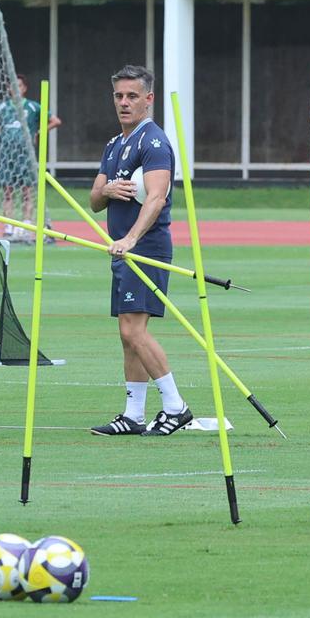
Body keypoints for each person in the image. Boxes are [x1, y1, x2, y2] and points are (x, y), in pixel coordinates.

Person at [88, 65, 192, 437]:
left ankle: (176, 407)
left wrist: (131, 239)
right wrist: (107, 191)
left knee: (134, 331)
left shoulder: (154, 142)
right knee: (127, 332)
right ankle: (133, 415)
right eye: (118, 96)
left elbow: (157, 197)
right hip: (122, 252)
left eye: (132, 96)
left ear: (148, 99)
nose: (124, 102)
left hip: (144, 248)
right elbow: (94, 200)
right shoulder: (114, 145)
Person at [0, 74, 61, 241]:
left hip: (25, 155)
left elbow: (55, 121)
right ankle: (9, 227)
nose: (15, 89)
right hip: (6, 154)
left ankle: (26, 226)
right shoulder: (3, 107)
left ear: (24, 88)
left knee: (27, 192)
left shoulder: (32, 106)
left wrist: (38, 132)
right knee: (8, 192)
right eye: (12, 86)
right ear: (8, 89)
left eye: (19, 85)